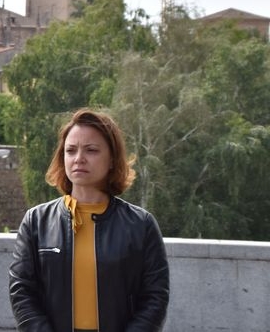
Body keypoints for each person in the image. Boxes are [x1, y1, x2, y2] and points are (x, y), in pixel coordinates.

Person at [9, 108, 169, 332]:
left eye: (91, 150)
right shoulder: (36, 221)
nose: (79, 159)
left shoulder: (141, 225)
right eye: (71, 150)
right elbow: (22, 291)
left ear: (112, 159)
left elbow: (155, 298)